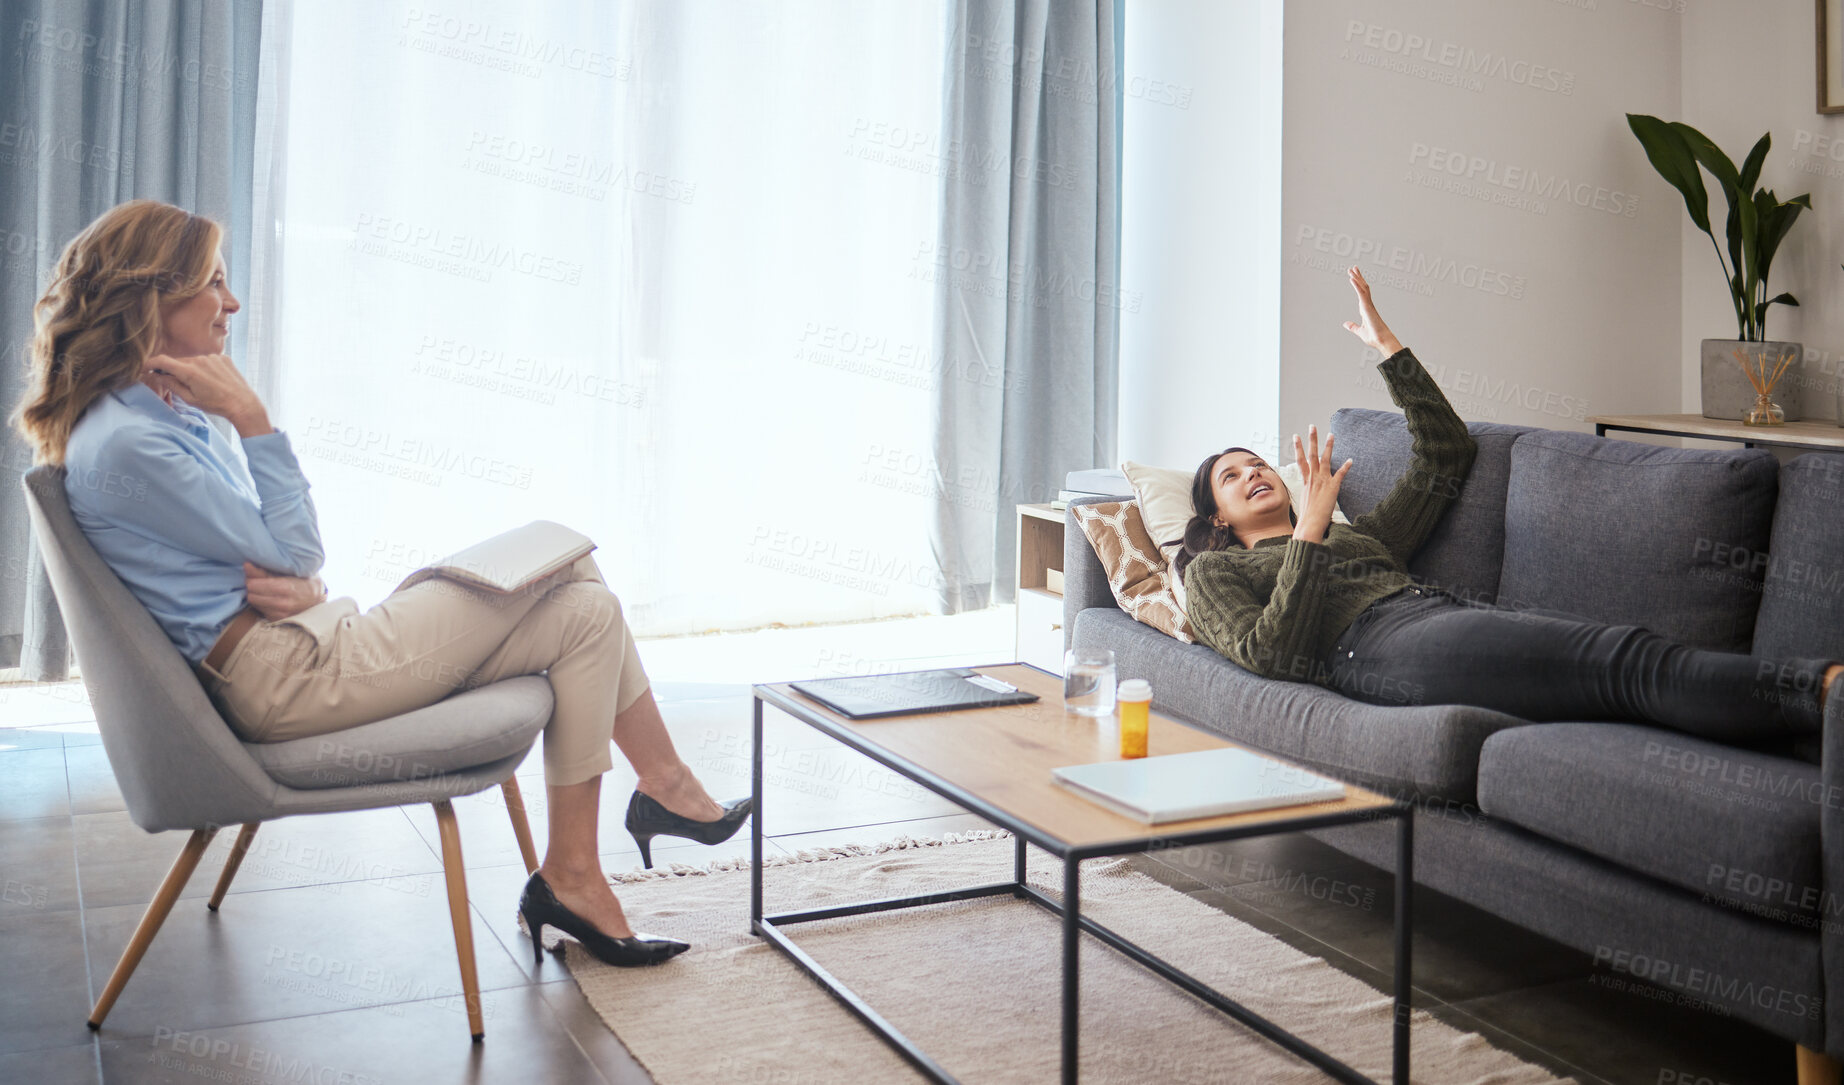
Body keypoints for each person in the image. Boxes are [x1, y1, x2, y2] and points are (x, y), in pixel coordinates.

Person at [8, 199, 746, 967]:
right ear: (150, 301)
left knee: (581, 589)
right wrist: (252, 419)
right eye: (213, 284)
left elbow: (286, 563)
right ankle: (617, 832)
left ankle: (623, 825)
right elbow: (295, 552)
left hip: (300, 646)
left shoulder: (153, 414)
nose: (230, 304)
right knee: (578, 587)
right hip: (290, 677)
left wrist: (299, 574)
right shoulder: (133, 442)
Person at [1176, 266, 1844, 742]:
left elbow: (1445, 453)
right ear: (1218, 518)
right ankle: (1818, 690)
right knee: (1623, 662)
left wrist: (1390, 352)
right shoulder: (1216, 572)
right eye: (1233, 476)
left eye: (1258, 462)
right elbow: (1272, 654)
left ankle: (1800, 711)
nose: (1254, 472)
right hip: (1377, 649)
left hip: (1438, 617)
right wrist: (1311, 530)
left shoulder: (1365, 537)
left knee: (1623, 661)